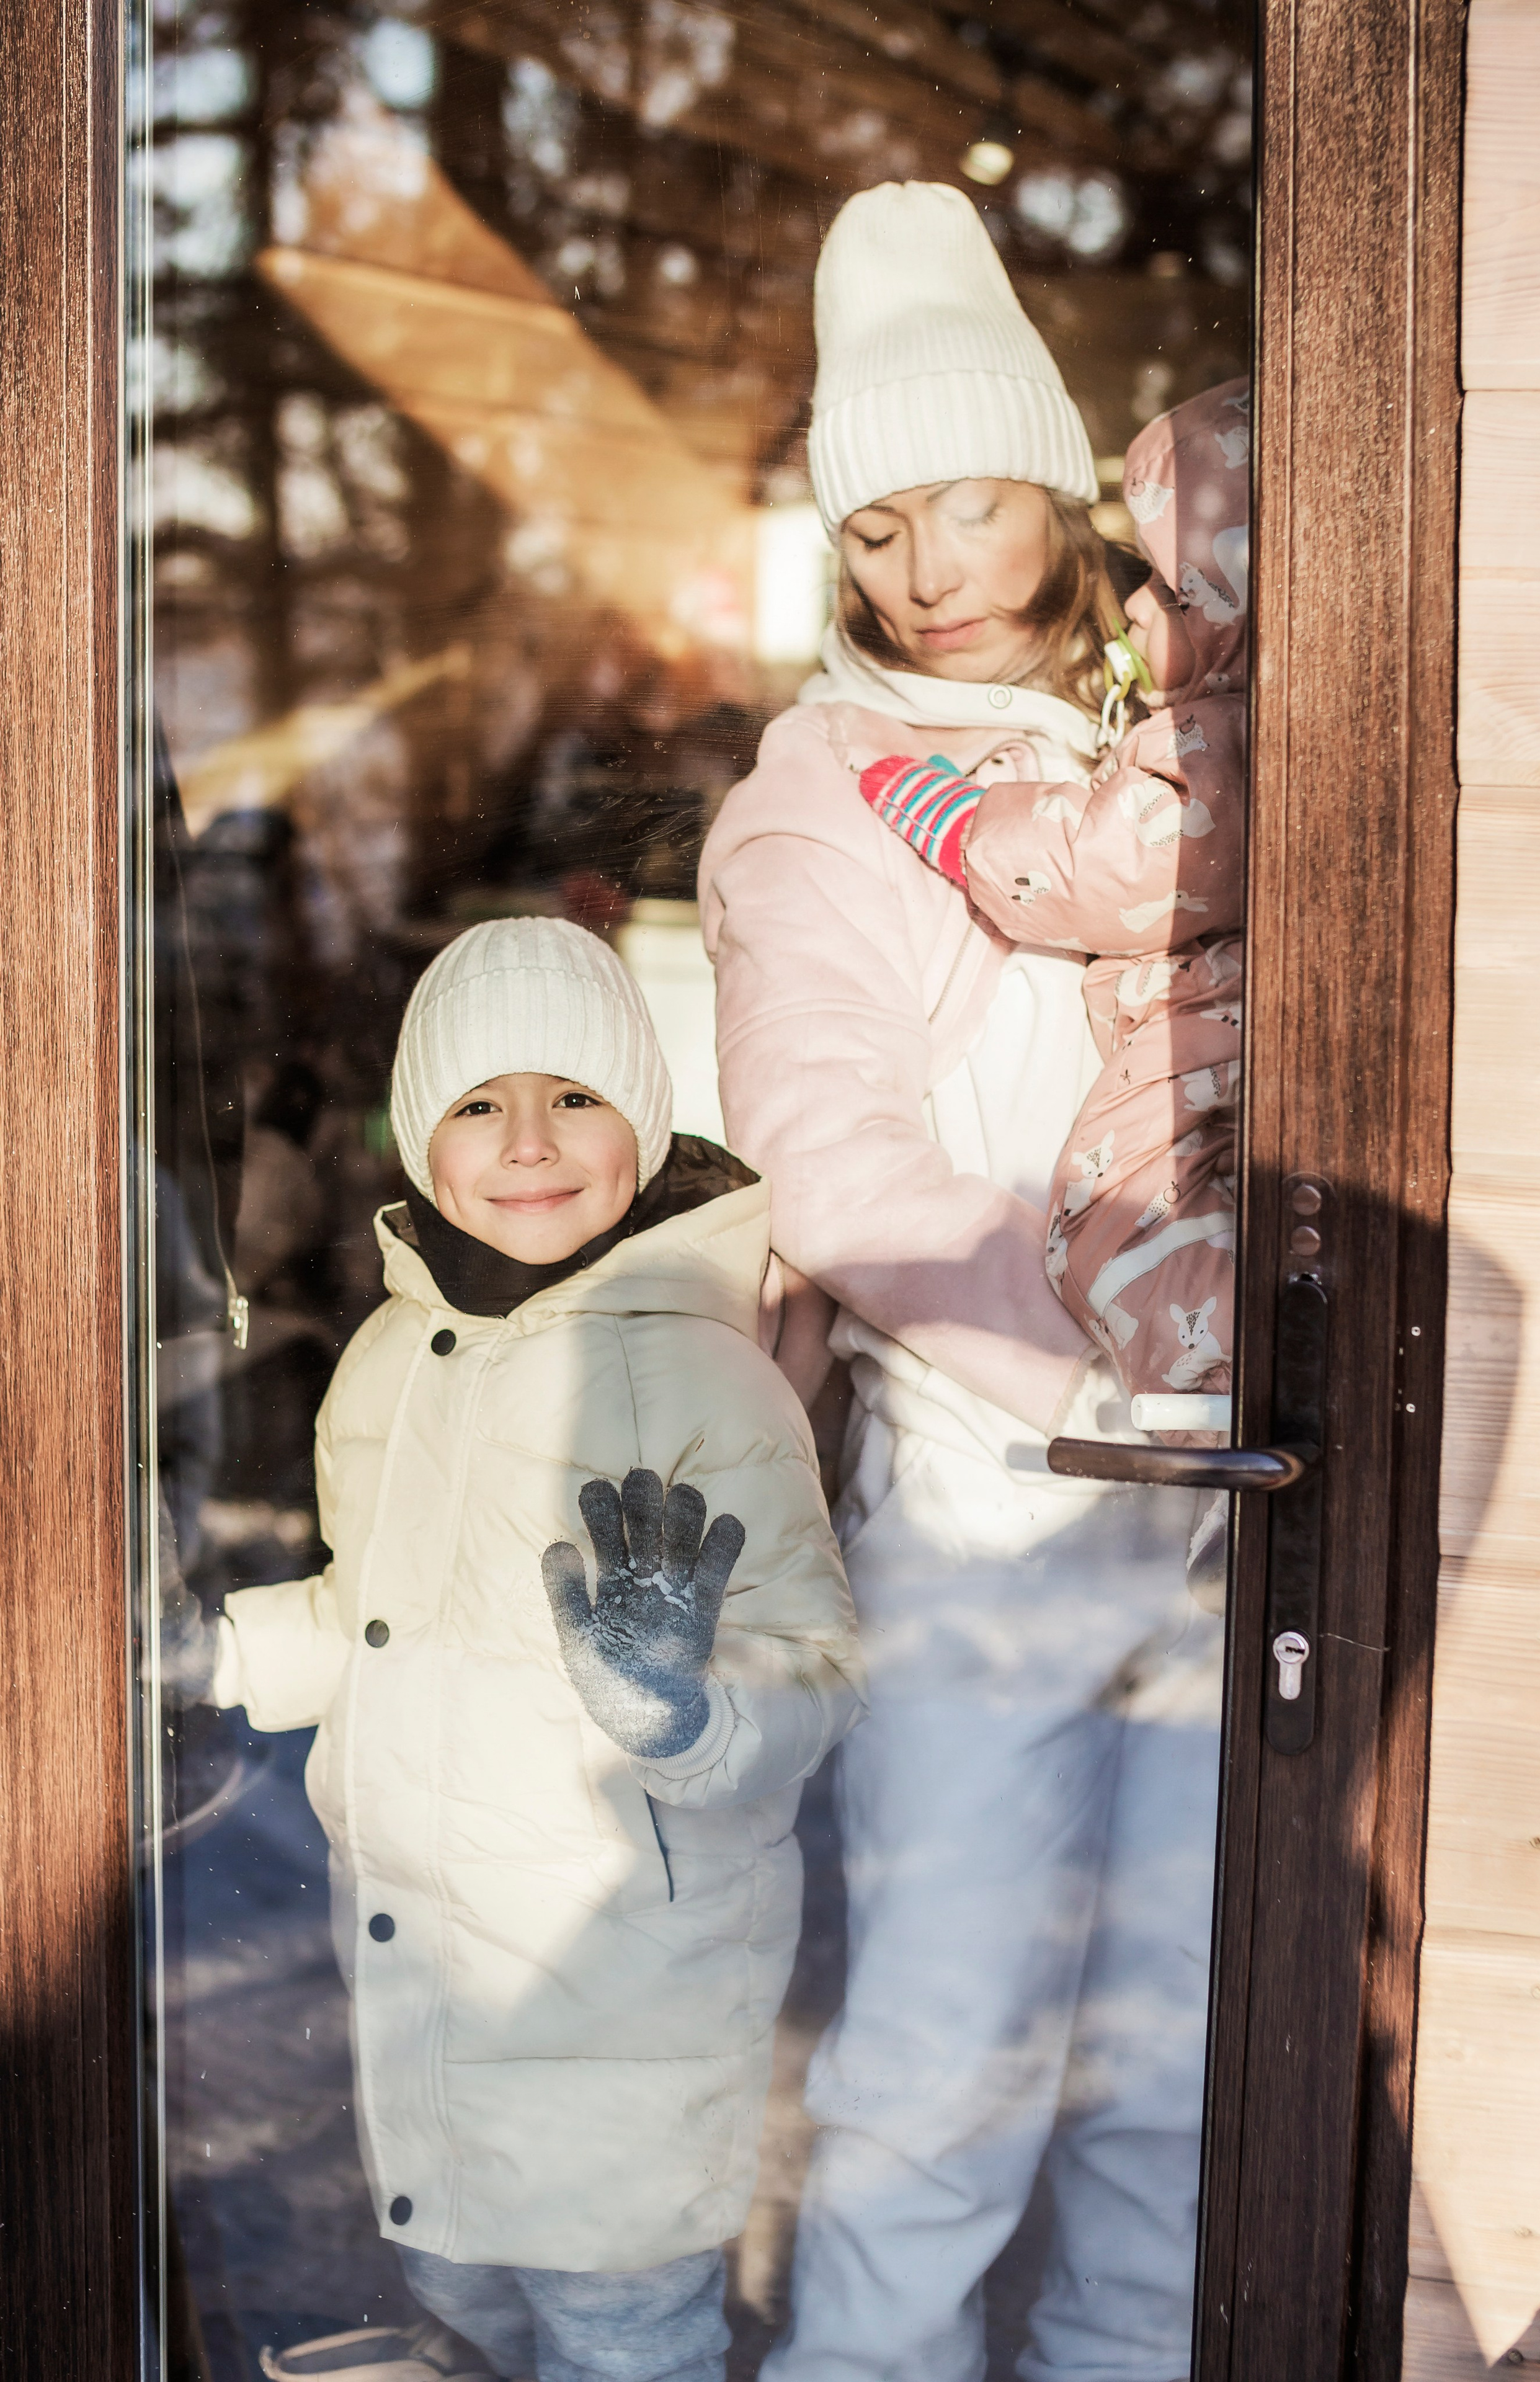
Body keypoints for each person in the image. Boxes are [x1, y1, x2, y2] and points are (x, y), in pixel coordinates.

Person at [700, 182, 1221, 2382]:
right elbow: (837, 1162)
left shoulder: (1173, 723)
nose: (929, 572)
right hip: (1001, 1480)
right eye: (881, 528)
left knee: (1179, 2074)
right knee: (942, 2068)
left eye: (971, 505)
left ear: (1057, 488)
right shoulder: (822, 799)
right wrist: (1073, 1380)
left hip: (1224, 1495)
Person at [184, 916, 865, 2382]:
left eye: (575, 1097)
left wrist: (680, 1710)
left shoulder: (703, 1374)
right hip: (429, 1976)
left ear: (644, 1117)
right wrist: (211, 1657)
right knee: (466, 2309)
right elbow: (374, 1620)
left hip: (624, 1987)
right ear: (424, 1143)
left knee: (621, 2337)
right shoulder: (386, 1362)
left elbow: (810, 1674)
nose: (531, 1141)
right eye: (480, 1105)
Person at [857, 379, 1250, 1430]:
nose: (1133, 603)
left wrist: (962, 824)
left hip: (1207, 1031)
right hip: (1206, 1019)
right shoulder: (1203, 715)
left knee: (1107, 1219)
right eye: (876, 535)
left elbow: (1121, 863)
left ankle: (1214, 1402)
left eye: (1169, 590)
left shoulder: (1222, 736)